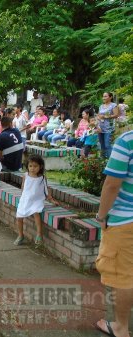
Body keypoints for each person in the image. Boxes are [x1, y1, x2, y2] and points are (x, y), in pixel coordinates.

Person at [94, 130, 133, 337]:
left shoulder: (128, 140)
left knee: (124, 278)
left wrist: (101, 216)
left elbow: (112, 184)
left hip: (126, 221)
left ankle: (121, 327)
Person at [14, 155, 57, 246]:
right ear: (27, 166)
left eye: (35, 166)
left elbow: (46, 189)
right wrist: (22, 198)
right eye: (30, 166)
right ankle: (21, 235)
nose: (32, 168)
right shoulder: (25, 176)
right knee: (19, 217)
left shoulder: (42, 178)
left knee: (36, 213)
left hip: (37, 200)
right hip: (26, 199)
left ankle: (39, 234)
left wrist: (51, 199)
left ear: (40, 167)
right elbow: (23, 187)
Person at [98, 92, 119, 158]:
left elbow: (116, 115)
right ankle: (103, 160)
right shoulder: (101, 106)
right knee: (102, 145)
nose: (103, 98)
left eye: (105, 96)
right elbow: (99, 115)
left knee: (107, 145)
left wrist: (105, 116)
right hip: (100, 128)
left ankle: (111, 160)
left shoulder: (113, 105)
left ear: (110, 97)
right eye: (103, 96)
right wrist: (97, 119)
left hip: (109, 128)